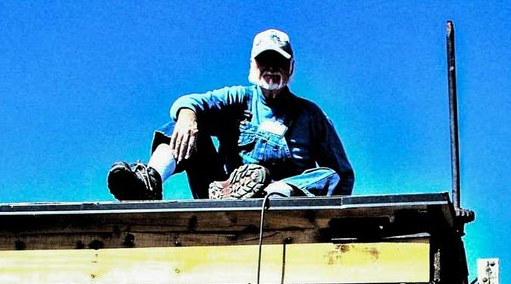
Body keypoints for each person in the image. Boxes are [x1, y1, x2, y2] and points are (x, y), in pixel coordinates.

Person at [108, 28, 354, 201]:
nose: (271, 69)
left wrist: (288, 190)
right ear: (252, 66)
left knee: (330, 175)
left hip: (280, 204)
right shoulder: (239, 98)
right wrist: (187, 117)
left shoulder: (312, 116)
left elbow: (342, 177)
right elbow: (192, 101)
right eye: (264, 61)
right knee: (184, 123)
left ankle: (276, 191)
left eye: (278, 62)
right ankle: (150, 182)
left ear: (291, 69)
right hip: (220, 194)